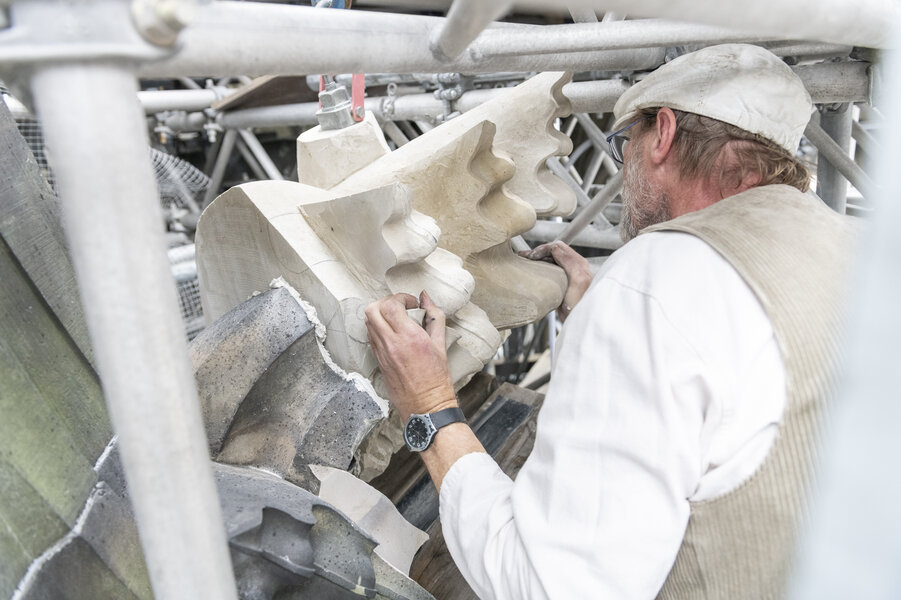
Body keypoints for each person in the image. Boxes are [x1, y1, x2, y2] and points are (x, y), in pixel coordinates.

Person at [365, 44, 856, 599]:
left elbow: (553, 588)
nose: (623, 171)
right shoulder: (862, 252)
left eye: (626, 145)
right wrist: (596, 326)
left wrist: (429, 407)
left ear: (663, 133)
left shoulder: (652, 281)